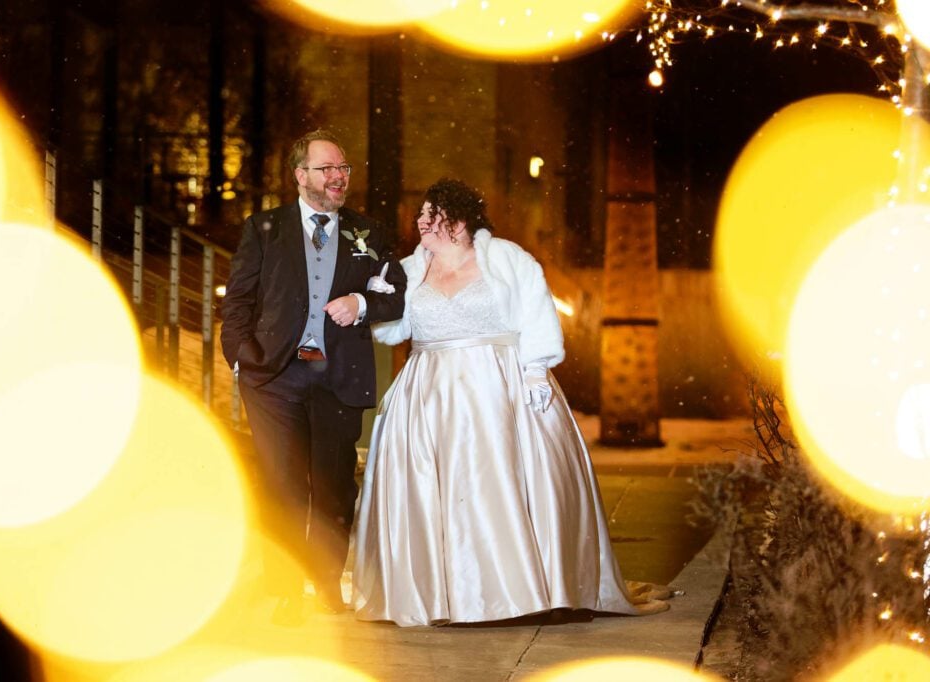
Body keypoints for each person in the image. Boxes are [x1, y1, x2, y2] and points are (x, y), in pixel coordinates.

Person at [351, 178, 669, 626]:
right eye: (420, 214)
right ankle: (444, 594)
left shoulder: (506, 259)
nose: (420, 221)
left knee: (501, 483)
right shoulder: (407, 268)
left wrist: (536, 369)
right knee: (438, 491)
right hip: (429, 393)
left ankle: (523, 590)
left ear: (458, 222)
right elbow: (392, 332)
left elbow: (536, 312)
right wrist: (381, 300)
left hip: (501, 386)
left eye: (430, 214)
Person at [220, 129, 406, 626]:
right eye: (326, 169)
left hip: (338, 378)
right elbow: (237, 300)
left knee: (332, 486)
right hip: (273, 378)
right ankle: (283, 590)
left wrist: (362, 302)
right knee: (282, 484)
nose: (338, 177)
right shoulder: (263, 228)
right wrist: (239, 356)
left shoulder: (369, 232)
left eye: (342, 168)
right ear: (300, 176)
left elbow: (396, 296)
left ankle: (326, 584)